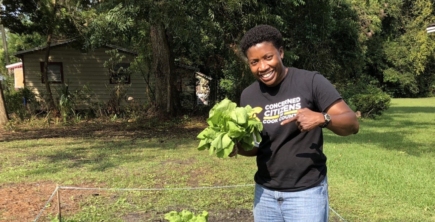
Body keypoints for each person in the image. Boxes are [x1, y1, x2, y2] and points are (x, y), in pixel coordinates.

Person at [232, 24, 359, 222]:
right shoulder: (248, 95)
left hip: (306, 194)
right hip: (265, 195)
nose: (262, 67)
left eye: (268, 57)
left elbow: (352, 123)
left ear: (280, 53)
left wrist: (321, 118)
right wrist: (236, 147)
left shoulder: (310, 81)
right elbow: (256, 147)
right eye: (254, 62)